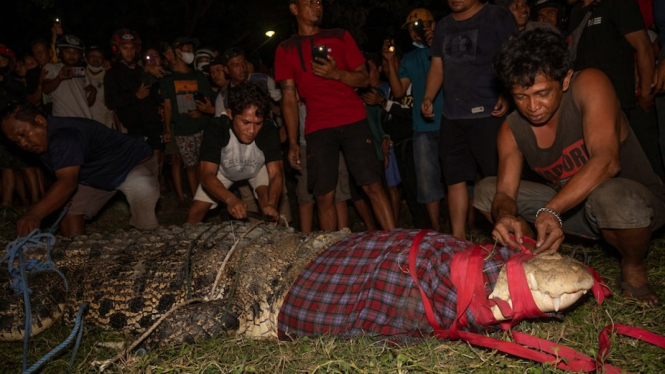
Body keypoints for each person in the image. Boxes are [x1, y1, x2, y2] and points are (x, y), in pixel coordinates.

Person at [473, 29, 665, 306]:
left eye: (542, 93)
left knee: (610, 195)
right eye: (521, 96)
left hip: (635, 206)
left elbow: (607, 161)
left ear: (565, 80)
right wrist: (504, 215)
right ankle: (540, 257)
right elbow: (504, 192)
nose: (532, 106)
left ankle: (633, 266)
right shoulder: (512, 129)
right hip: (573, 211)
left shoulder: (589, 84)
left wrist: (551, 210)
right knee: (486, 192)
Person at [276, 0, 396, 231]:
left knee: (372, 184)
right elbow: (289, 99)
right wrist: (292, 142)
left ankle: (397, 244)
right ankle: (330, 254)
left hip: (353, 119)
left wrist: (336, 73)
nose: (317, 6)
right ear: (294, 8)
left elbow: (364, 79)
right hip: (318, 126)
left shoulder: (339, 36)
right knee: (323, 194)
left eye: (319, 2)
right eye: (310, 2)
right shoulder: (286, 49)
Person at [422, 0, 517, 239]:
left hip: (489, 113)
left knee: (498, 180)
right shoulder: (443, 26)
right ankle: (458, 240)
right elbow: (437, 65)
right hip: (452, 116)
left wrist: (507, 93)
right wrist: (428, 96)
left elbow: (513, 58)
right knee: (454, 179)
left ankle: (512, 238)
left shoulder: (497, 17)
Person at [0, 103, 160, 237]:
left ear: (40, 121)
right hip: (95, 173)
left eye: (23, 134)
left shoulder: (64, 136)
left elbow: (67, 182)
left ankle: (149, 243)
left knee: (142, 188)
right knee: (68, 210)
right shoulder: (42, 140)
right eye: (15, 140)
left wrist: (34, 215)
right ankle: (77, 257)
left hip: (130, 163)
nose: (22, 143)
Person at [382, 8, 445, 231]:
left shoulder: (446, 48)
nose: (415, 32)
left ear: (434, 25)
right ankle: (437, 229)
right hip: (423, 127)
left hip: (450, 121)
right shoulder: (409, 58)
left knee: (458, 179)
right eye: (411, 29)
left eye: (421, 25)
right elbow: (399, 92)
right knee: (427, 181)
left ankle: (464, 229)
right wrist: (389, 62)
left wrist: (435, 45)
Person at [186, 82, 283, 224]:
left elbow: (276, 173)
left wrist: (272, 204)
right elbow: (206, 174)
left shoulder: (268, 130)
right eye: (246, 122)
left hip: (257, 167)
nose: (252, 130)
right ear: (231, 114)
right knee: (196, 212)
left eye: (258, 123)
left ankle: (269, 243)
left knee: (267, 203)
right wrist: (230, 199)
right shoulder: (217, 127)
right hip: (223, 169)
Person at [161, 37, 214, 203]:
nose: (190, 54)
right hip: (183, 130)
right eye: (187, 50)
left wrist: (201, 112)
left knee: (204, 165)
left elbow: (208, 100)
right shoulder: (168, 79)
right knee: (190, 166)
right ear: (177, 52)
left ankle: (208, 197)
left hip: (201, 127)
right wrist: (168, 129)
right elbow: (167, 106)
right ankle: (198, 199)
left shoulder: (198, 76)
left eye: (192, 50)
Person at [42, 34, 95, 119]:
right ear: (60, 52)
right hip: (63, 120)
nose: (71, 56)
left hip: (85, 119)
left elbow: (87, 103)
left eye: (75, 52)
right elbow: (45, 89)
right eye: (67, 52)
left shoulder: (82, 72)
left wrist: (93, 92)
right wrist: (59, 78)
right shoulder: (52, 67)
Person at [85, 46, 115, 129]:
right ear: (85, 59)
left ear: (104, 60)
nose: (95, 59)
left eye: (99, 57)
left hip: (106, 125)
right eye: (92, 56)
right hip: (85, 123)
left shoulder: (110, 76)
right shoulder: (79, 76)